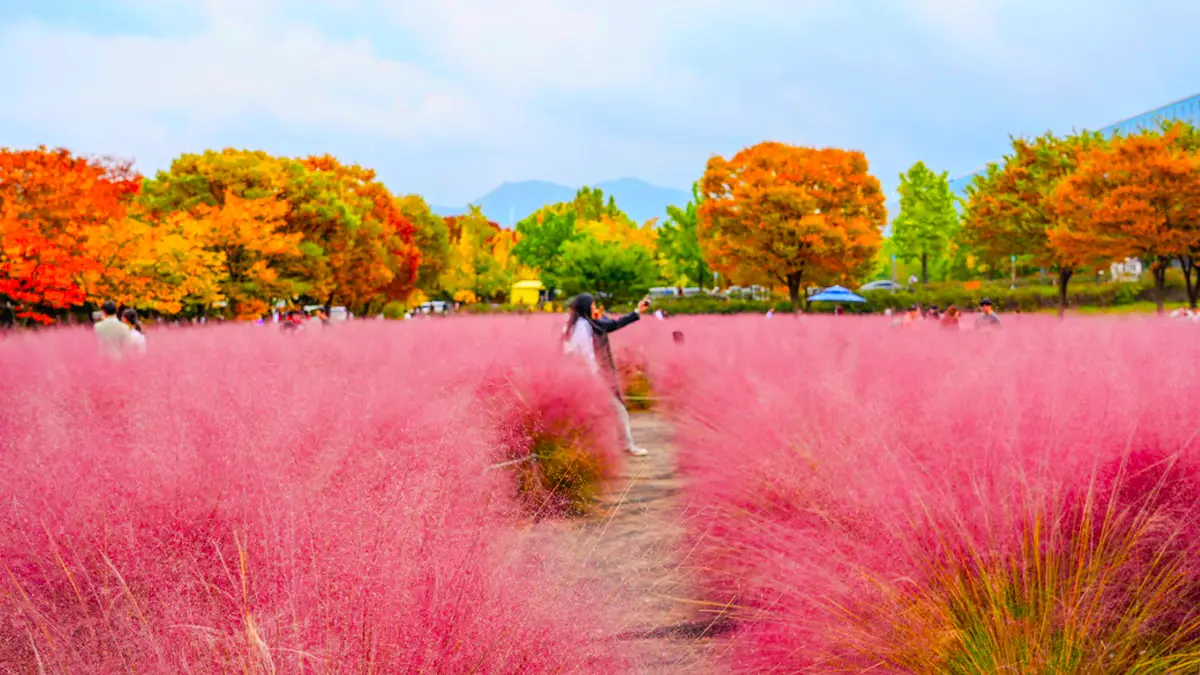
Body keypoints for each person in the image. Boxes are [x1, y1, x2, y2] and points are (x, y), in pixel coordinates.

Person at [563, 293, 652, 457]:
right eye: (593, 305)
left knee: (601, 412)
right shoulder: (583, 326)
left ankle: (593, 449)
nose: (596, 308)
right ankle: (626, 445)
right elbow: (585, 354)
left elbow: (613, 324)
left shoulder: (586, 323)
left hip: (591, 377)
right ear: (586, 307)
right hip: (594, 378)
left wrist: (637, 311)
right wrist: (595, 378)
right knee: (617, 410)